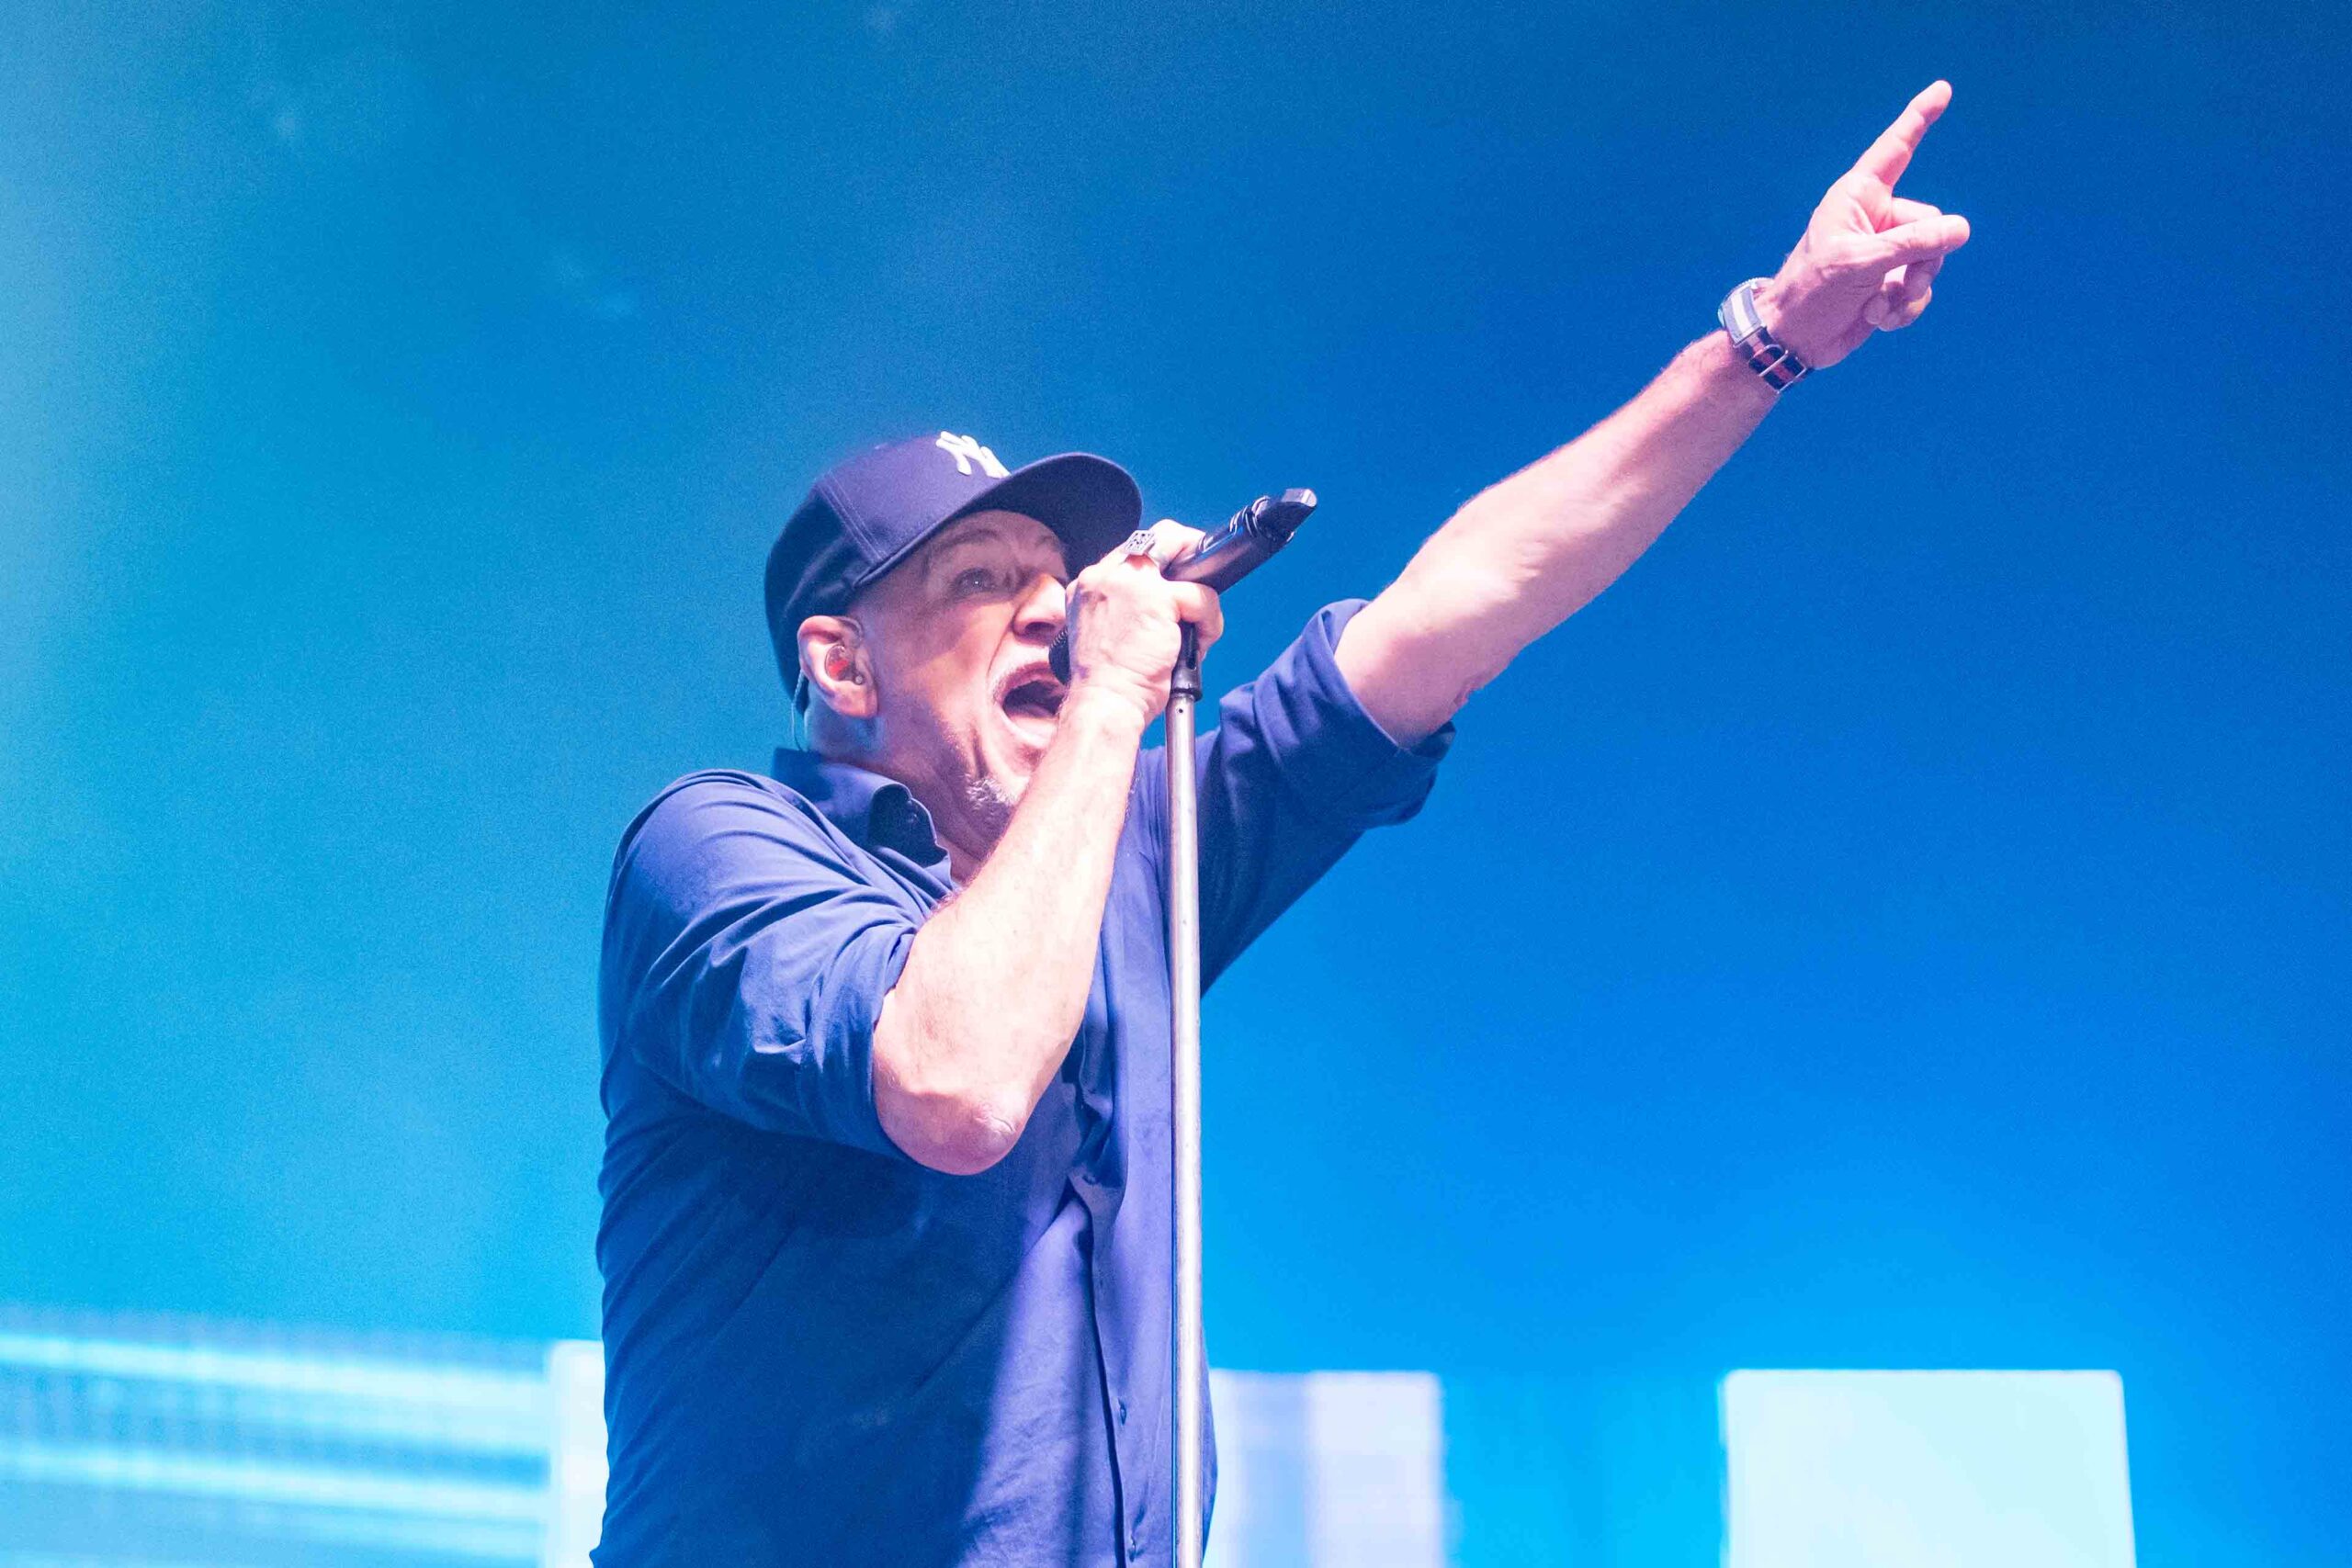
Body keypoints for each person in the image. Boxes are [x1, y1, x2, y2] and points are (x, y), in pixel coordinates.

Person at [593, 82, 1972, 1568]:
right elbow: (956, 1080)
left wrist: (1764, 344)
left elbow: (1460, 607)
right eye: (981, 582)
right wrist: (1115, 688)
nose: (1052, 610)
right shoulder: (716, 851)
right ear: (843, 663)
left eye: (1059, 581)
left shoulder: (1129, 854)